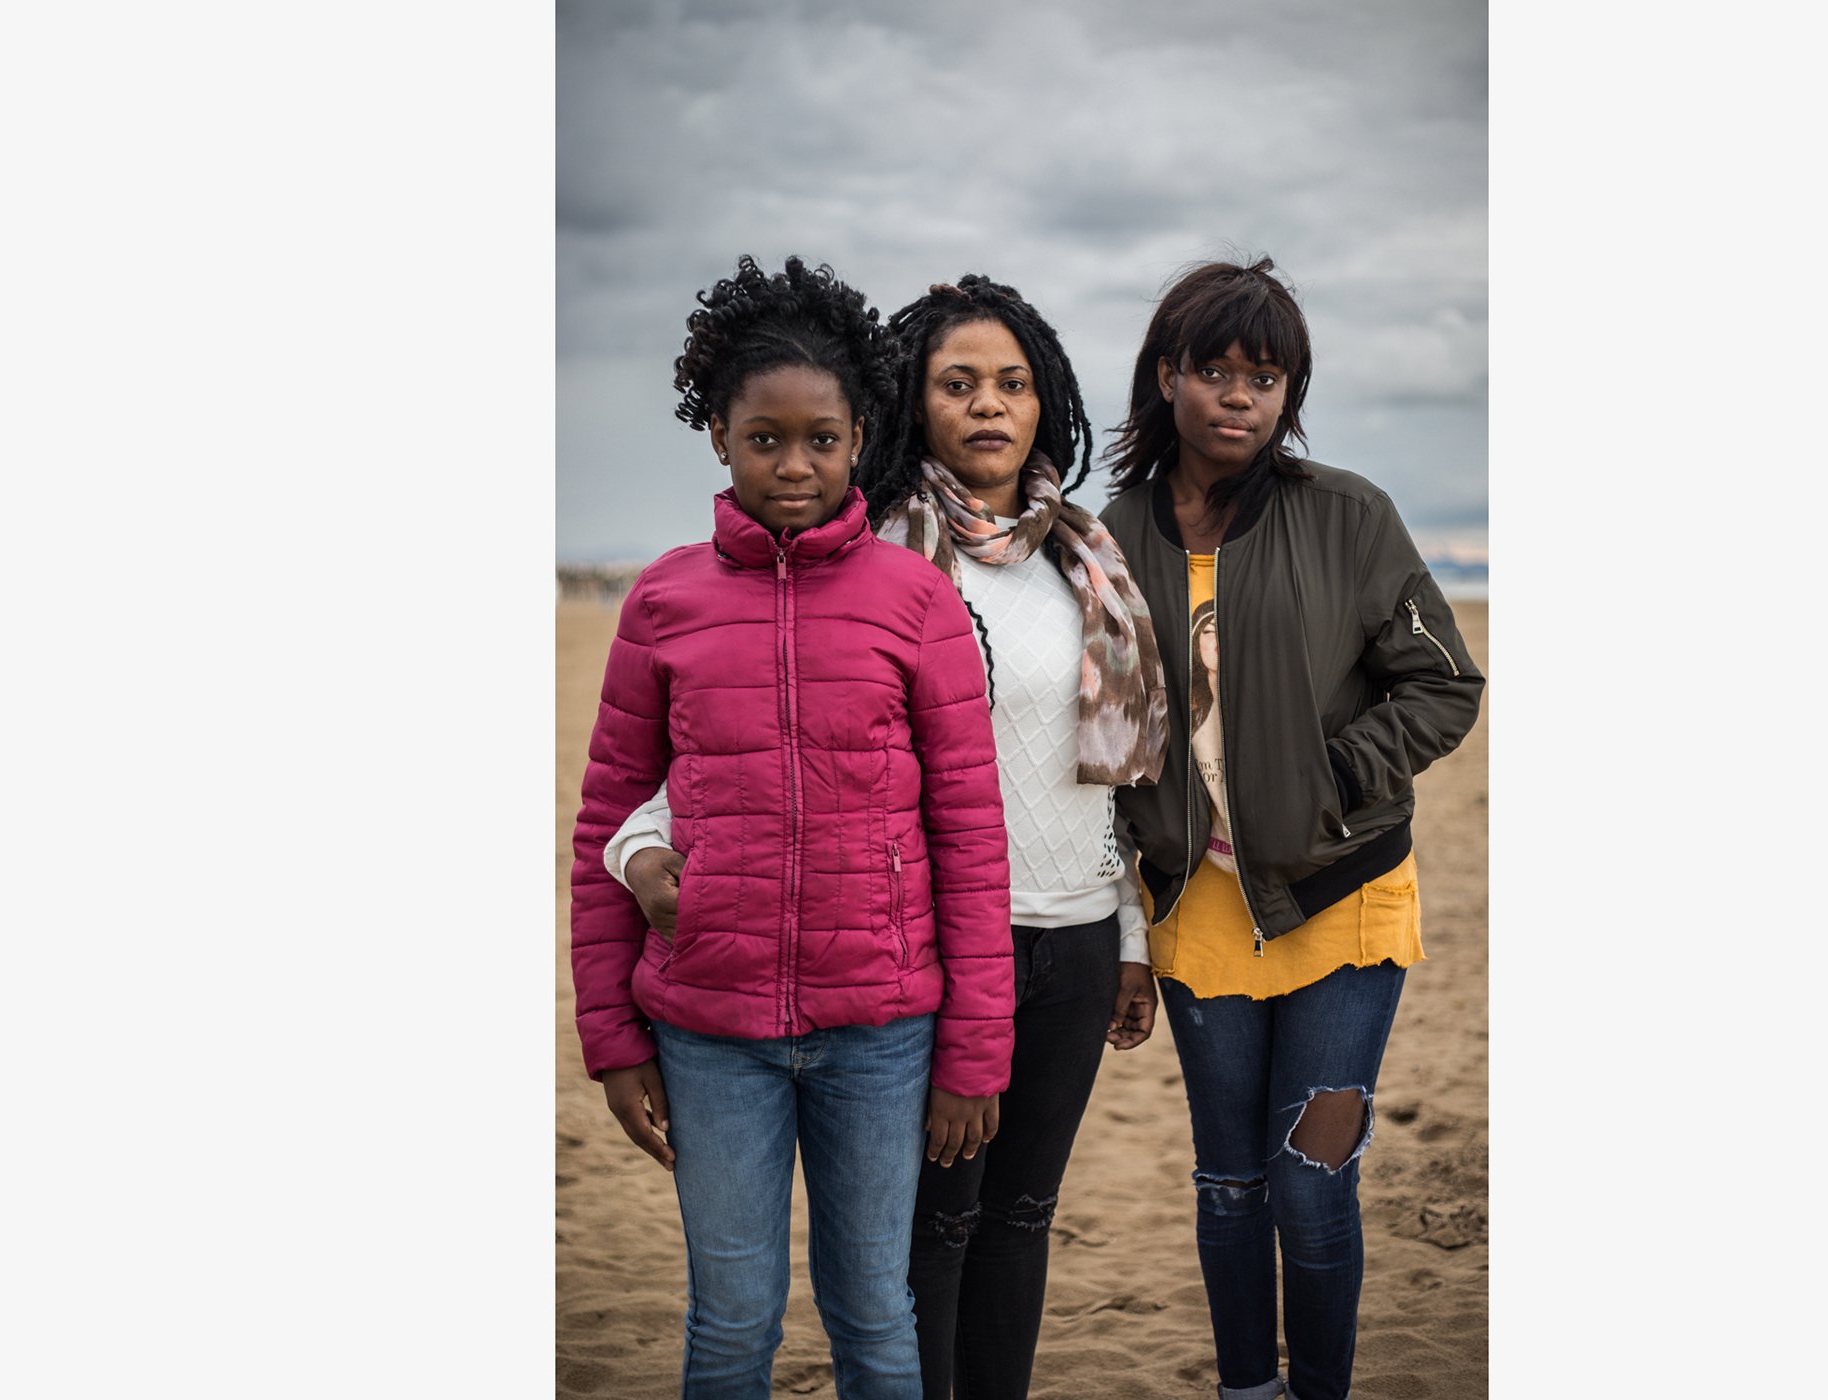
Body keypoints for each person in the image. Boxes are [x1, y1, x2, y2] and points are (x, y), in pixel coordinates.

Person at [606, 274, 1170, 1400]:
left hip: (1038, 946)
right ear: (910, 406)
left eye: (1013, 383)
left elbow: (1087, 788)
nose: (991, 406)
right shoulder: (895, 562)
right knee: (901, 1248)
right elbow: (705, 770)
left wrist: (1129, 929)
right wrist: (641, 864)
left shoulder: (1085, 562)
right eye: (958, 384)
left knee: (1007, 1224)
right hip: (903, 956)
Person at [569, 255, 1014, 1400]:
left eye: (821, 438)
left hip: (883, 1034)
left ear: (860, 433)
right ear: (718, 433)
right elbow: (605, 829)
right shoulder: (662, 601)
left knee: (874, 1308)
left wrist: (972, 1049)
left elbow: (969, 835)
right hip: (708, 1036)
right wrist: (614, 1038)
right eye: (765, 438)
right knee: (730, 1316)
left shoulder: (916, 600)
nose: (795, 464)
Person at [1098, 257, 1484, 1400]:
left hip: (1343, 898)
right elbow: (1108, 750)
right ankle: (1244, 1389)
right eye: (1212, 369)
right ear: (1166, 376)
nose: (1237, 396)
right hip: (1196, 913)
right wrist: (1125, 929)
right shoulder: (1109, 536)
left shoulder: (1348, 515)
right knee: (1229, 1183)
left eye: (1264, 376)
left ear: (1290, 393)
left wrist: (1333, 776)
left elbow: (1444, 684)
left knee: (1312, 1183)